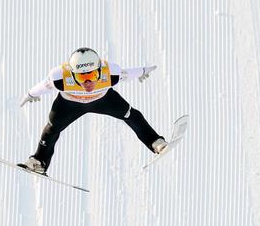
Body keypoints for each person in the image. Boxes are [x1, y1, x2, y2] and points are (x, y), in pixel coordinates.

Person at [18, 47, 167, 175]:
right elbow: (45, 86)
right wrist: (31, 94)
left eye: (92, 75)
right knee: (51, 129)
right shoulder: (59, 77)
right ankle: (39, 162)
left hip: (103, 100)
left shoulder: (110, 72)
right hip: (69, 104)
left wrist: (142, 71)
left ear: (100, 70)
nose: (88, 82)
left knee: (131, 115)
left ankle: (155, 142)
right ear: (72, 73)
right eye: (82, 77)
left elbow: (126, 74)